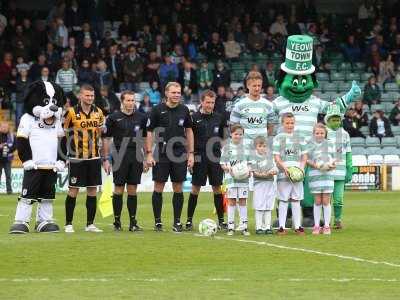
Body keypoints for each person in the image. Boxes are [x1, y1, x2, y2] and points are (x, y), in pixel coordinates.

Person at [146, 82, 194, 232]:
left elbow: (189, 131)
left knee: (178, 187)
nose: (177, 95)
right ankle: (158, 222)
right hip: (161, 153)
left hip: (179, 153)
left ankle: (177, 222)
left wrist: (191, 153)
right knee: (158, 186)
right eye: (173, 92)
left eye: (178, 92)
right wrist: (148, 153)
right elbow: (149, 131)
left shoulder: (184, 110)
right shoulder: (157, 110)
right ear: (166, 93)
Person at [103, 91, 149, 231]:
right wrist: (105, 159)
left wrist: (146, 156)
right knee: (118, 188)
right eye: (128, 100)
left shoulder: (141, 117)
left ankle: (133, 222)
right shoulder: (113, 117)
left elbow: (144, 138)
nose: (131, 103)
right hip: (119, 155)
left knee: (132, 189)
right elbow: (106, 138)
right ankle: (117, 222)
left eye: (132, 100)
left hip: (135, 155)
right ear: (122, 101)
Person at [63, 84, 105, 233]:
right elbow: (64, 133)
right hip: (76, 158)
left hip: (94, 157)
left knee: (92, 190)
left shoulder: (98, 112)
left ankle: (90, 224)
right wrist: (65, 154)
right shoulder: (71, 113)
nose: (90, 98)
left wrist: (103, 156)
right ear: (80, 96)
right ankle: (68, 224)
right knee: (73, 190)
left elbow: (100, 133)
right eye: (87, 95)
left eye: (92, 96)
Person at [185, 90, 228, 230]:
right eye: (207, 102)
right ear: (201, 102)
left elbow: (223, 138)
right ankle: (189, 221)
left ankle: (221, 221)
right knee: (195, 188)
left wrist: (226, 156)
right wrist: (190, 155)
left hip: (215, 156)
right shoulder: (193, 118)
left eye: (212, 102)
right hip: (199, 156)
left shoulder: (219, 118)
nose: (210, 105)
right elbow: (189, 138)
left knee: (217, 188)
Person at [273, 113, 307, 235]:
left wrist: (301, 170)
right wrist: (285, 168)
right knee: (283, 200)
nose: (290, 125)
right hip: (284, 174)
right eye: (287, 123)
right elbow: (276, 157)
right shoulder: (278, 138)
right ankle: (281, 227)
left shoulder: (300, 138)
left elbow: (304, 157)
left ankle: (297, 226)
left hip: (297, 175)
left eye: (292, 123)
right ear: (282, 124)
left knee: (296, 200)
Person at [230, 71, 275, 149]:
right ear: (248, 85)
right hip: (244, 148)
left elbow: (270, 128)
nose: (257, 88)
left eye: (259, 85)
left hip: (261, 149)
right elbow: (233, 127)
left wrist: (262, 141)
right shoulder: (239, 105)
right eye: (254, 86)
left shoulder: (269, 105)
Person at [220, 124, 251, 236]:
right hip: (231, 180)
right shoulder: (226, 148)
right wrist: (229, 169)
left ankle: (244, 226)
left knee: (243, 201)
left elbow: (250, 164)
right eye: (236, 134)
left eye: (240, 134)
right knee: (232, 201)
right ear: (231, 134)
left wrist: (249, 171)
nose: (238, 136)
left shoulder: (247, 148)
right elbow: (222, 164)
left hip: (243, 180)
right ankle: (231, 226)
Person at [306, 123, 336, 235]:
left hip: (327, 176)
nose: (319, 135)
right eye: (317, 133)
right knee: (317, 201)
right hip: (315, 176)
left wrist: (331, 165)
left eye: (322, 133)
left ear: (325, 134)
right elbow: (306, 159)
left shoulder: (330, 144)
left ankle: (327, 226)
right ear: (313, 134)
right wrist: (316, 165)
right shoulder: (309, 145)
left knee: (326, 201)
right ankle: (317, 225)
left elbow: (335, 159)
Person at [251, 136, 277, 234]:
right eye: (260, 146)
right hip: (259, 185)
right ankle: (259, 227)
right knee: (259, 206)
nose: (262, 148)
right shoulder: (254, 158)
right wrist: (263, 174)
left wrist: (273, 171)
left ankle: (267, 227)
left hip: (269, 184)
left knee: (268, 206)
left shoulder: (270, 157)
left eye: (264, 146)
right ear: (256, 147)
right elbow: (255, 172)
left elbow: (275, 169)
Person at [0, 121, 16, 194]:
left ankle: (9, 191)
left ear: (8, 128)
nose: (4, 128)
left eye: (6, 127)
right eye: (3, 127)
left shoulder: (12, 136)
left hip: (7, 159)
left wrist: (9, 150)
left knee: (8, 176)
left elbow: (15, 146)